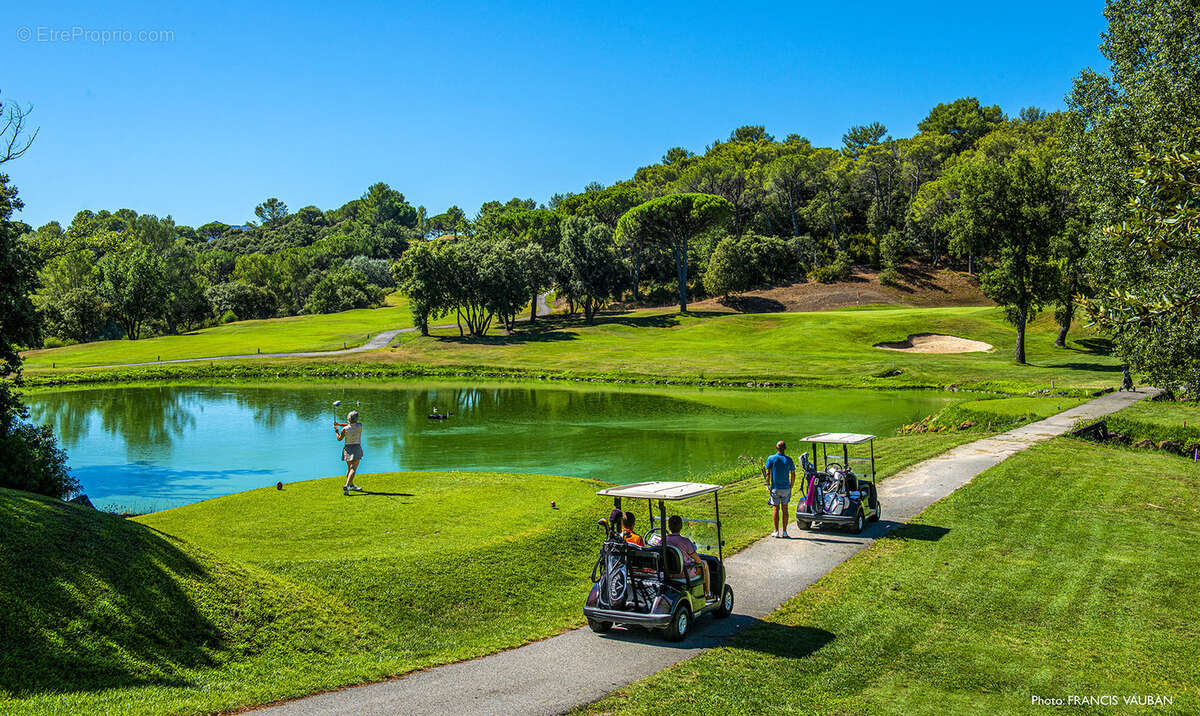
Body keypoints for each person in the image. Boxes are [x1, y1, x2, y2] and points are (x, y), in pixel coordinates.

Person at [664, 515, 712, 600]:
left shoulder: (663, 541)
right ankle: (708, 593)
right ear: (681, 526)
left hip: (668, 573)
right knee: (704, 563)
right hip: (684, 573)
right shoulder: (685, 541)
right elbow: (697, 560)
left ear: (669, 526)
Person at [763, 440, 796, 538]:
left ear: (776, 448)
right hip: (786, 488)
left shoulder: (771, 458)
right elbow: (793, 474)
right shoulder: (789, 460)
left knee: (775, 509)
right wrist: (791, 485)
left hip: (775, 488)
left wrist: (767, 484)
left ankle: (776, 531)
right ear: (785, 448)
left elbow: (768, 473)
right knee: (785, 509)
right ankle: (785, 532)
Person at [334, 410, 364, 492]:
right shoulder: (359, 426)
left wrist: (337, 430)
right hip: (356, 448)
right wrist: (339, 425)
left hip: (347, 449)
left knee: (349, 468)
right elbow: (352, 425)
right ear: (356, 419)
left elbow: (339, 438)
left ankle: (351, 485)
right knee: (353, 469)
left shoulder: (344, 429)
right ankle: (347, 485)